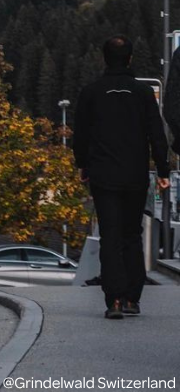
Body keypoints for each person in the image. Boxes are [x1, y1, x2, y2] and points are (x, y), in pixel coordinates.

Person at [74, 35, 169, 319]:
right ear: (129, 59)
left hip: (103, 176)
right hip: (135, 175)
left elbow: (81, 136)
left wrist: (82, 165)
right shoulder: (142, 94)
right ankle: (132, 298)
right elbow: (157, 134)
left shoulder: (91, 92)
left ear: (105, 59)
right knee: (131, 235)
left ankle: (113, 299)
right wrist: (163, 170)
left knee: (110, 235)